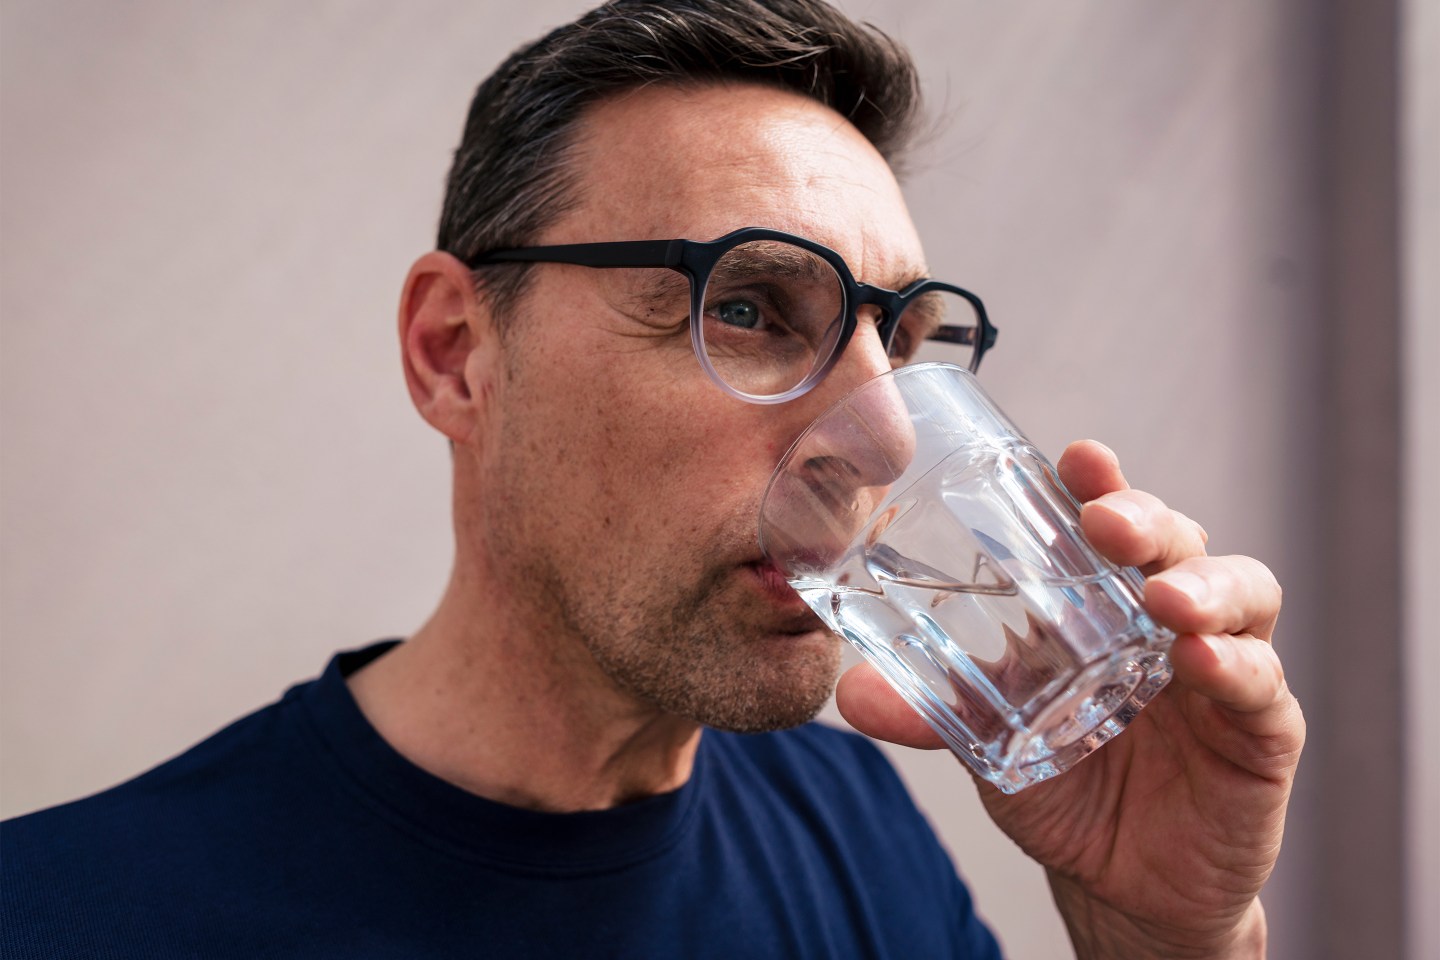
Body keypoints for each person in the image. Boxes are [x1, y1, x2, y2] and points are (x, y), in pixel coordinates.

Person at [1, 1, 1304, 957]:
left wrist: (1170, 938)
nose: (891, 439)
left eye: (898, 339)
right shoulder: (72, 915)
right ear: (457, 355)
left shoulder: (853, 821)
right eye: (746, 307)